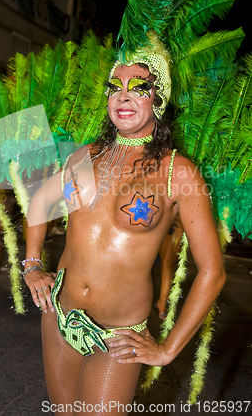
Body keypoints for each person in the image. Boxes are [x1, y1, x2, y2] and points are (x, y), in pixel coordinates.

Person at [23, 58, 226, 414]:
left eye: (139, 88)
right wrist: (32, 263)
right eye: (115, 88)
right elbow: (40, 201)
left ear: (158, 101)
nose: (124, 97)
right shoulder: (85, 155)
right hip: (59, 315)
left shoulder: (178, 173)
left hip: (117, 338)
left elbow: (212, 272)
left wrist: (167, 349)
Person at [155, 214, 184, 320]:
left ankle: (162, 303)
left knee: (168, 262)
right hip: (163, 220)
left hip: (179, 223)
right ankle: (161, 300)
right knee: (164, 262)